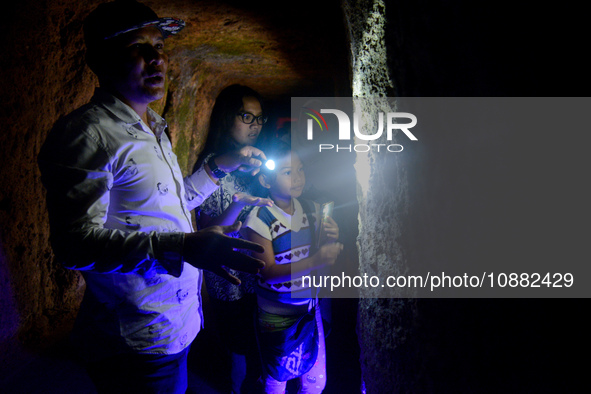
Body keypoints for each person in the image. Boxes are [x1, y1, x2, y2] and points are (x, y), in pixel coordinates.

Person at [37, 1, 267, 393]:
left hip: (170, 326)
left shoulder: (153, 129)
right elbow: (73, 245)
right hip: (136, 341)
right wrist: (181, 246)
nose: (156, 58)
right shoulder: (87, 135)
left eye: (159, 46)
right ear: (101, 60)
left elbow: (171, 207)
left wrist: (220, 168)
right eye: (136, 47)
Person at [242, 140, 343, 393]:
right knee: (277, 378)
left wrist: (331, 236)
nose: (297, 178)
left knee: (315, 380)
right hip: (277, 316)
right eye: (288, 172)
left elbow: (318, 251)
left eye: (300, 169)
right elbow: (268, 271)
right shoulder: (259, 217)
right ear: (266, 182)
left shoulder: (311, 209)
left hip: (309, 310)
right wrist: (315, 261)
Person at [194, 84, 273, 393]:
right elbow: (210, 228)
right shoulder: (216, 165)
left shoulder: (253, 163)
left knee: (253, 348)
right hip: (228, 278)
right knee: (234, 353)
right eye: (246, 116)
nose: (255, 125)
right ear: (227, 118)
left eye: (259, 118)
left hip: (254, 273)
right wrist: (240, 201)